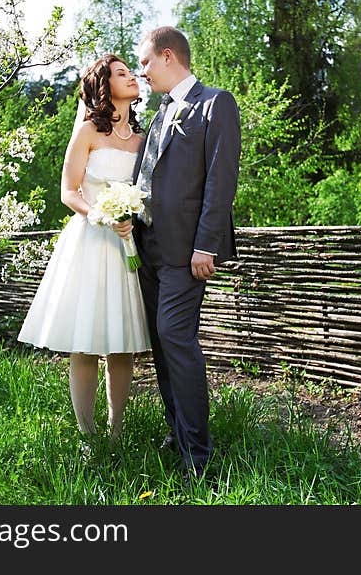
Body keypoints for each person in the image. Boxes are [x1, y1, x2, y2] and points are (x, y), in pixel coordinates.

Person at [18, 54, 150, 440]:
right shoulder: (88, 132)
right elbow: (68, 191)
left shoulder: (143, 141)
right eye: (122, 73)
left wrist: (130, 216)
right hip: (91, 242)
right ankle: (87, 434)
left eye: (131, 72)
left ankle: (117, 431)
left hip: (127, 245)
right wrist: (100, 214)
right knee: (86, 342)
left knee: (122, 345)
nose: (132, 77)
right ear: (104, 85)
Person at [132, 26, 241, 484]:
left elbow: (221, 178)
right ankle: (177, 433)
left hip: (186, 250)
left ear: (168, 56)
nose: (142, 72)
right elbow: (146, 175)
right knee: (161, 342)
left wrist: (205, 244)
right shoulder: (160, 113)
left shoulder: (216, 103)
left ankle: (199, 455)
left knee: (175, 337)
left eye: (145, 63)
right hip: (149, 246)